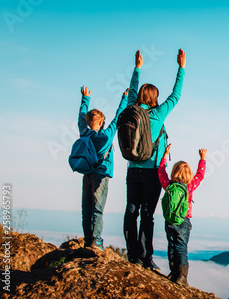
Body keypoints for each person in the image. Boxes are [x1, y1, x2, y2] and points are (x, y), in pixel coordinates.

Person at [124, 49, 186, 271]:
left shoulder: (131, 109)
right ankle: (144, 258)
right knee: (147, 215)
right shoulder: (157, 114)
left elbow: (131, 90)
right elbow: (176, 96)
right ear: (154, 98)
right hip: (152, 172)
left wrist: (137, 67)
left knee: (132, 210)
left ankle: (132, 254)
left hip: (132, 169)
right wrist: (181, 67)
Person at [77, 86, 128, 249]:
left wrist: (85, 99)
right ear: (100, 122)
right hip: (101, 176)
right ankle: (96, 241)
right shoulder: (106, 136)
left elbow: (80, 119)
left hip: (87, 174)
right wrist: (124, 98)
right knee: (97, 210)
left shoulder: (84, 133)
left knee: (86, 210)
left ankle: (87, 240)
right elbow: (118, 117)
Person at [157, 145, 206, 286]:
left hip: (169, 220)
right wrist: (202, 159)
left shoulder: (169, 185)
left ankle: (173, 272)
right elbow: (200, 175)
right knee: (181, 247)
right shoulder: (189, 186)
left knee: (171, 245)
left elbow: (161, 172)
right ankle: (182, 276)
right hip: (184, 220)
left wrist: (164, 156)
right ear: (189, 174)